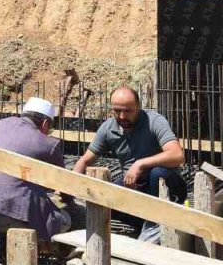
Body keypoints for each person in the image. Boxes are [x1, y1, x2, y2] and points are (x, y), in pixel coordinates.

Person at [0, 98, 71, 256]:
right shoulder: (49, 144)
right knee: (64, 219)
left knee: (9, 193)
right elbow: (65, 184)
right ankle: (29, 248)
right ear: (45, 123)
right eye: (50, 127)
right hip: (8, 216)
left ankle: (1, 242)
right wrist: (68, 201)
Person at [73, 86, 185, 239]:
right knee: (107, 196)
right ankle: (142, 223)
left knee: (157, 173)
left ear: (138, 107)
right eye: (117, 111)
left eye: (128, 111)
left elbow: (177, 155)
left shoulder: (154, 121)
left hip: (166, 187)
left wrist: (140, 164)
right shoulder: (108, 128)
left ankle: (156, 225)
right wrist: (69, 188)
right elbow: (86, 161)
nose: (122, 116)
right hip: (134, 186)